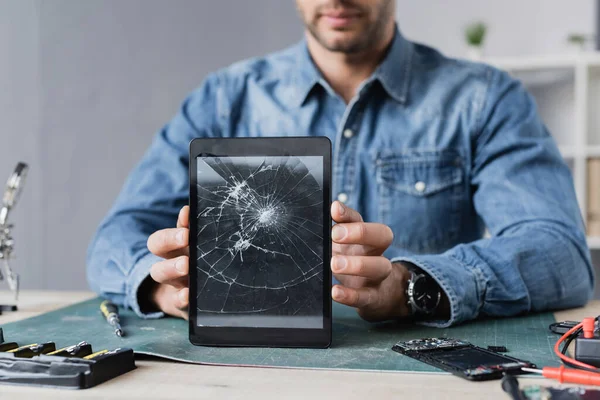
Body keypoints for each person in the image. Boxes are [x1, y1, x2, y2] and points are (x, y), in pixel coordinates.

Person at [86, 0, 594, 327]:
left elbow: (561, 254)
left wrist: (411, 285)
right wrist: (159, 285)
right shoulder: (224, 98)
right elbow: (116, 234)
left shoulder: (484, 98)